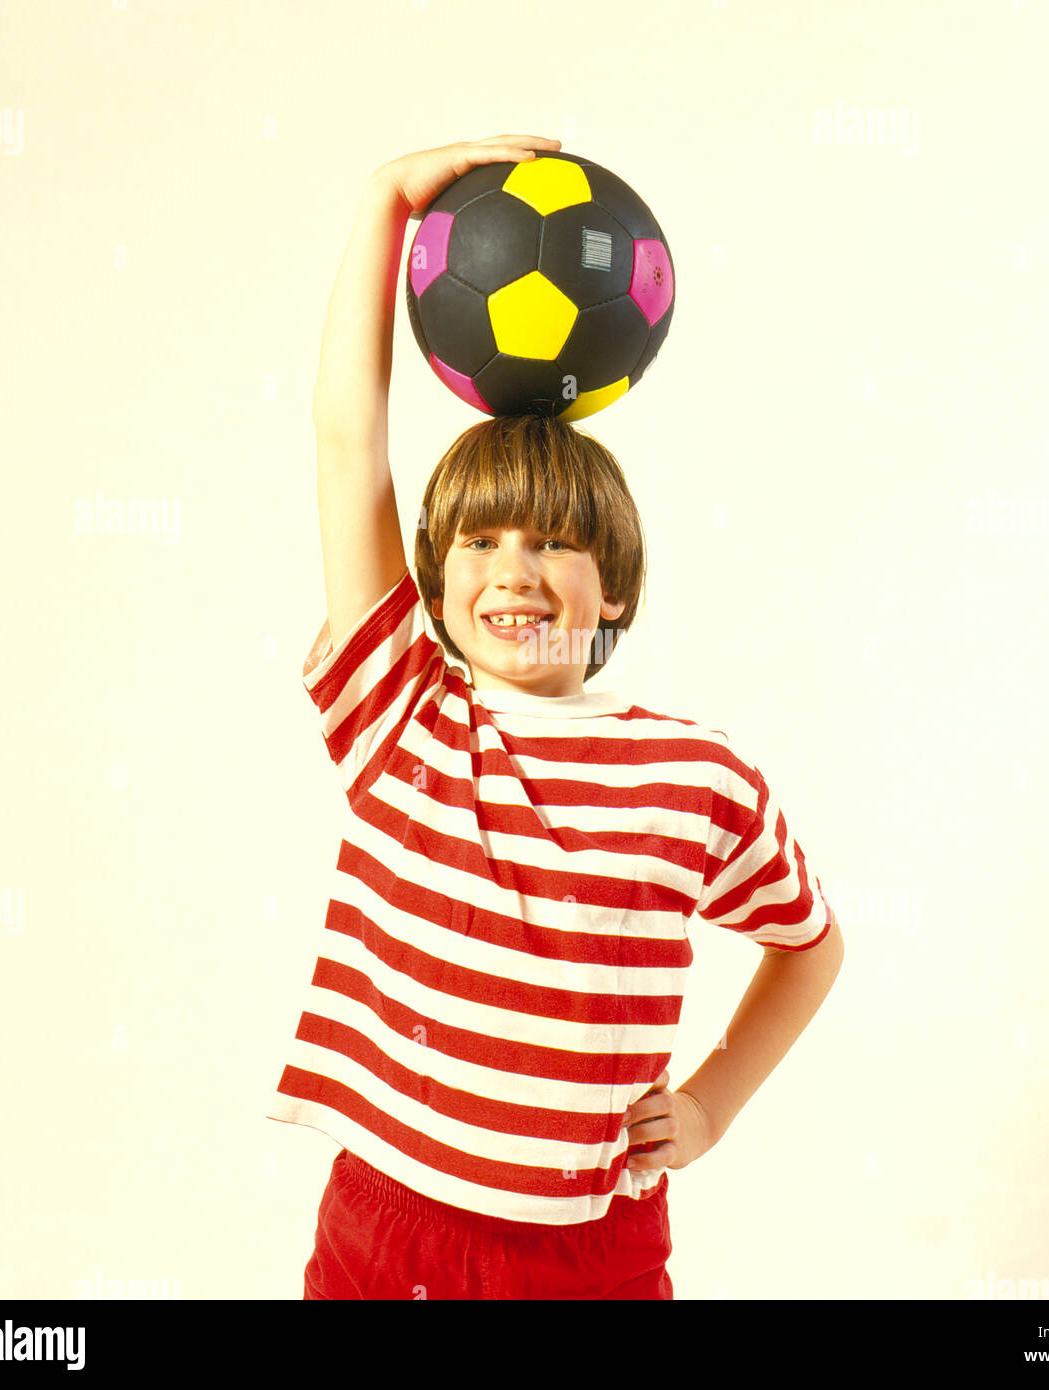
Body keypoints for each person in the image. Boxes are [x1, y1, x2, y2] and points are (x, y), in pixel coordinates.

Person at [269, 134, 845, 1300]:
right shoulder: (403, 716)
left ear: (614, 583)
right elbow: (346, 448)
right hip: (388, 1223)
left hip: (588, 1246)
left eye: (553, 541)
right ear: (436, 585)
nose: (511, 572)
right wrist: (384, 200)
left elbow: (809, 944)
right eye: (479, 542)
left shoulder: (697, 776)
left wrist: (712, 1104)